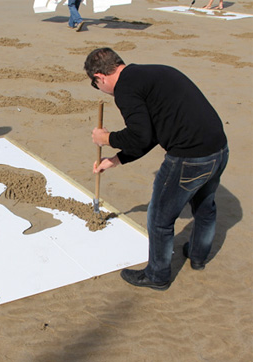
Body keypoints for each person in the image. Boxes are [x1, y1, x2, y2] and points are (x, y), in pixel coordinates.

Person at [84, 48, 228, 290]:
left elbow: (140, 135)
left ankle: (157, 275)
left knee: (160, 218)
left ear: (100, 77)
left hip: (189, 156)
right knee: (205, 206)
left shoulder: (125, 90)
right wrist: (116, 159)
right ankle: (198, 256)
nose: (99, 89)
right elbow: (153, 133)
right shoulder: (151, 74)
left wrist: (106, 137)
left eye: (94, 84)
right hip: (218, 149)